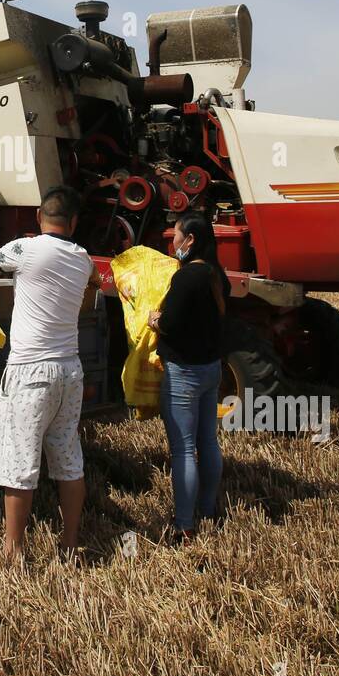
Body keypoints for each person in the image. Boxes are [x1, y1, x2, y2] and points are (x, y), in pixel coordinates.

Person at [0, 185, 101, 560]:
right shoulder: (84, 258)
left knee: (19, 462)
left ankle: (13, 550)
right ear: (73, 223)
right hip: (69, 371)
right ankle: (71, 544)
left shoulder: (25, 248)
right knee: (68, 460)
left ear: (39, 218)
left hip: (30, 372)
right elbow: (96, 284)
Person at [148, 213, 227, 542]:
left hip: (184, 373)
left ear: (190, 240)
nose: (173, 241)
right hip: (212, 369)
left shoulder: (186, 278)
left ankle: (184, 523)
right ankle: (208, 509)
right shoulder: (215, 275)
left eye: (176, 235)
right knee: (208, 441)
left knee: (183, 449)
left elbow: (172, 323)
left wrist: (156, 320)